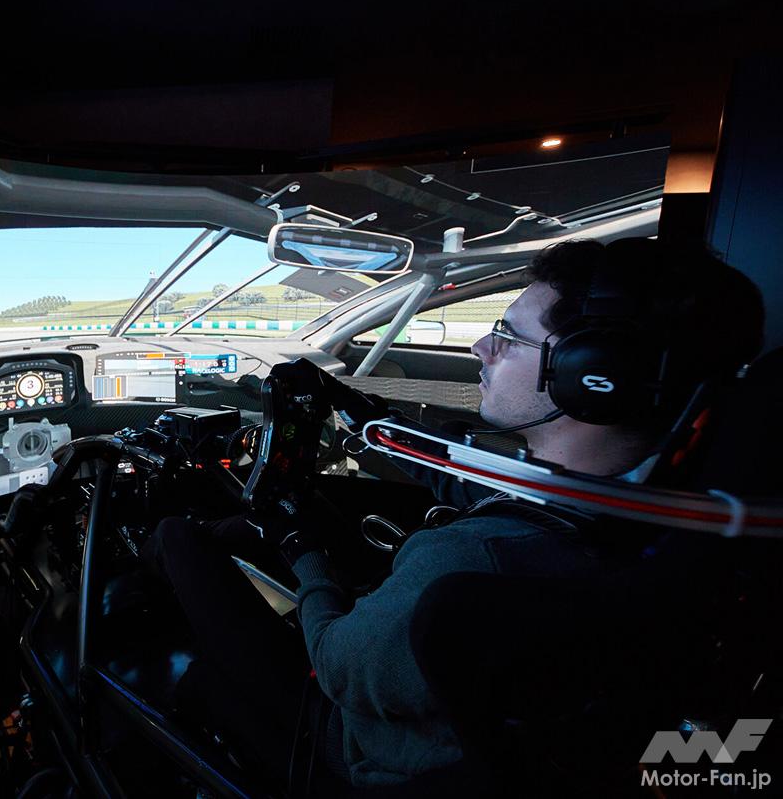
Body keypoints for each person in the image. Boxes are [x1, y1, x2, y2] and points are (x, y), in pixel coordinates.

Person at [142, 237, 765, 793]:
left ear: (590, 374)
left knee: (178, 539)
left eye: (507, 335)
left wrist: (301, 547)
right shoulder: (653, 513)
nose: (479, 345)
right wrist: (351, 405)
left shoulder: (470, 559)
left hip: (354, 747)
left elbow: (335, 665)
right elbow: (471, 481)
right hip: (471, 733)